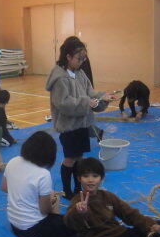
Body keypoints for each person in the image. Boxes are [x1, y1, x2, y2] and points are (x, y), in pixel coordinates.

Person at [45, 36, 112, 199]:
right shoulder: (60, 78)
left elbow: (90, 93)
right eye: (79, 58)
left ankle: (77, 189)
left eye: (84, 58)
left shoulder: (80, 73)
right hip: (68, 126)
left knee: (79, 158)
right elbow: (63, 103)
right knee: (70, 159)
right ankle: (67, 191)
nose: (81, 62)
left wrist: (102, 97)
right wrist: (87, 102)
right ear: (68, 57)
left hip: (82, 124)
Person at [1, 131, 75, 237]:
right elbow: (45, 210)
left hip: (14, 224)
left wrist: (27, 195)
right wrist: (53, 201)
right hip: (31, 231)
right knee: (75, 225)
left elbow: (4, 187)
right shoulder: (43, 174)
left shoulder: (13, 161)